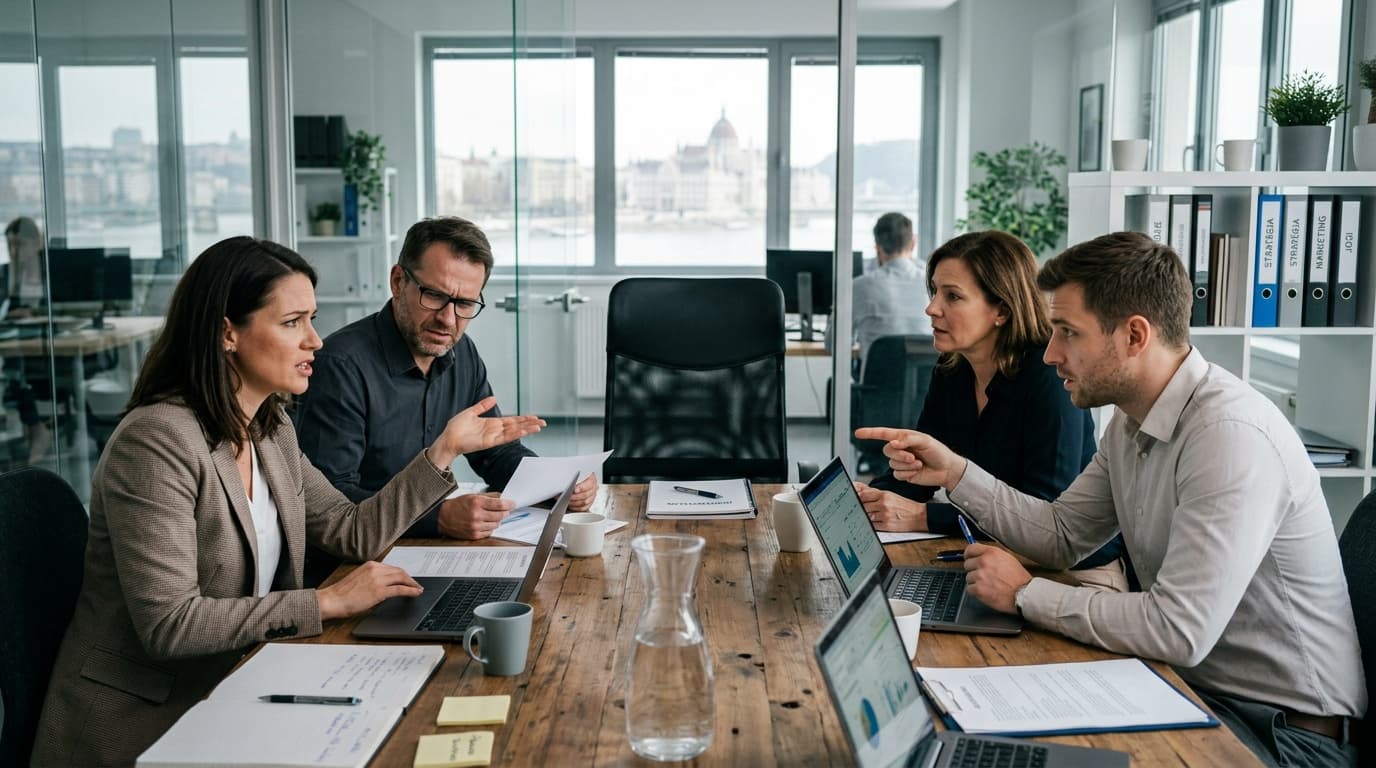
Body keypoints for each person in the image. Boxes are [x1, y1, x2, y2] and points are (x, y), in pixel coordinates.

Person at [31, 237, 544, 766]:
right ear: (228, 332)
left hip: (244, 682)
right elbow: (170, 625)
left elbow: (353, 531)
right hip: (150, 717)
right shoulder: (157, 442)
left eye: (312, 320)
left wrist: (442, 453)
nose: (316, 342)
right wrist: (328, 602)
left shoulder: (268, 428)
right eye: (293, 322)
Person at [860, 231, 1365, 768]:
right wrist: (958, 472)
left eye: (1068, 333)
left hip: (1283, 735)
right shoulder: (1133, 418)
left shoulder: (1228, 435)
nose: (1050, 353)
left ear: (1134, 336)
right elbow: (1061, 536)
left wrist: (1028, 594)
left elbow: (1177, 629)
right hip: (1186, 688)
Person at [293, 216, 596, 581]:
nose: (448, 319)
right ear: (398, 281)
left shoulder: (461, 352)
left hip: (428, 558)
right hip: (349, 570)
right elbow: (334, 504)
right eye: (434, 296)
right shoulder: (341, 367)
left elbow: (495, 452)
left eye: (465, 303)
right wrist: (438, 517)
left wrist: (555, 485)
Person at [855, 231, 1126, 588]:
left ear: (1001, 309)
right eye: (934, 291)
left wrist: (926, 517)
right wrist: (874, 496)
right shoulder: (952, 369)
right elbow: (923, 474)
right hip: (989, 553)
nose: (932, 308)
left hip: (1074, 571)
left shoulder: (1049, 377)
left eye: (952, 296)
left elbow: (1042, 513)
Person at [850, 211, 931, 367]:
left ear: (878, 248)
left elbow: (833, 344)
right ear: (913, 243)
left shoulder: (859, 286)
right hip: (927, 388)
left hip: (876, 388)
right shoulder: (933, 284)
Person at [2, 216, 51, 464]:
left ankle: (37, 430)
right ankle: (34, 429)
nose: (13, 251)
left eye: (19, 244)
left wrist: (36, 313)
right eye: (9, 245)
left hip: (50, 346)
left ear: (36, 243)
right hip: (16, 344)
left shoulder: (51, 273)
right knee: (14, 370)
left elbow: (66, 308)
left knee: (17, 372)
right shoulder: (6, 277)